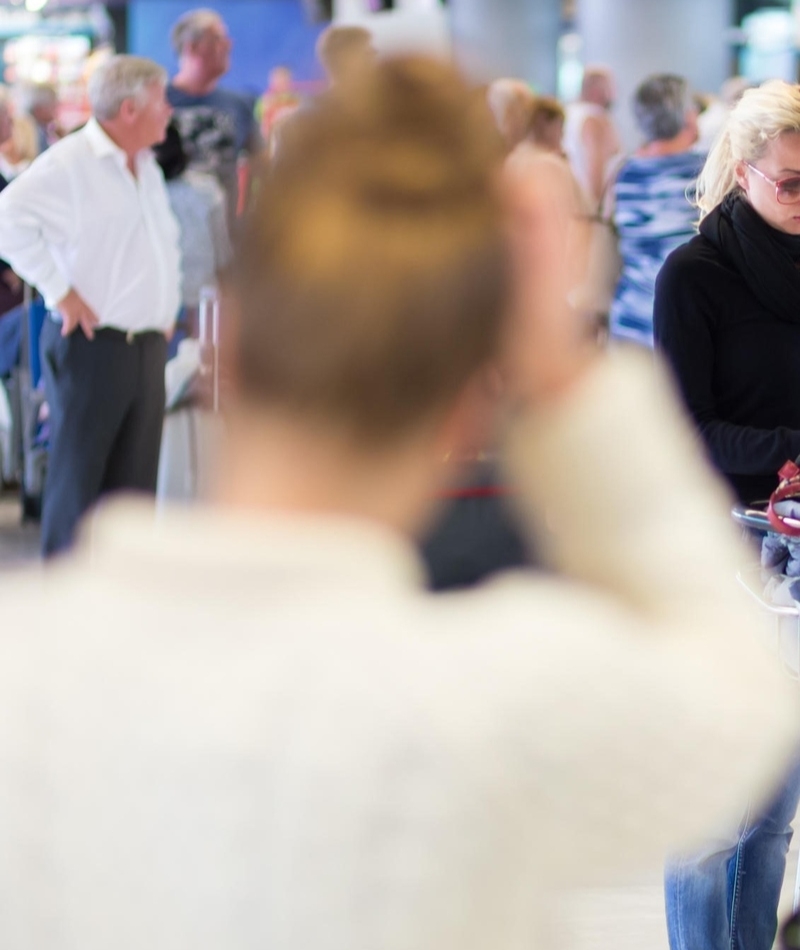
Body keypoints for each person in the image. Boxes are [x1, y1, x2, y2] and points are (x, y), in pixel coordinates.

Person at [0, 55, 797, 948]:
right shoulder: (499, 698)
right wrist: (562, 379)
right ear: (475, 390)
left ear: (227, 348)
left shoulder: (23, 685)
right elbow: (738, 704)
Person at [654, 78, 800, 950]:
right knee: (709, 814)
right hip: (720, 554)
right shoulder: (694, 273)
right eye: (790, 182)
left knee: (774, 815)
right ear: (742, 173)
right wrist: (792, 447)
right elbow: (684, 433)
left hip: (796, 551)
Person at [0, 55, 181, 556]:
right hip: (91, 346)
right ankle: (64, 613)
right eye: (161, 101)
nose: (169, 111)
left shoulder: (145, 166)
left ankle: (122, 609)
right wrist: (60, 291)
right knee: (80, 486)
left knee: (134, 495)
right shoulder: (70, 162)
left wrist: (162, 313)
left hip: (144, 347)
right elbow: (6, 218)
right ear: (129, 109)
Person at [609, 73, 703, 347]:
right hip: (679, 322)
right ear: (686, 116)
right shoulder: (703, 171)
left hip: (629, 318)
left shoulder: (624, 171)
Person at [168, 8, 260, 222]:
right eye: (218, 39)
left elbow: (261, 168)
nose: (229, 45)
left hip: (226, 239)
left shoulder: (240, 104)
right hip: (170, 237)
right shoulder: (157, 104)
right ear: (192, 47)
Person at [563, 65, 621, 207]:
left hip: (571, 202)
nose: (614, 95)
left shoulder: (567, 112)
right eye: (610, 88)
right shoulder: (594, 117)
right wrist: (594, 211)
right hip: (592, 207)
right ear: (596, 91)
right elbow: (595, 167)